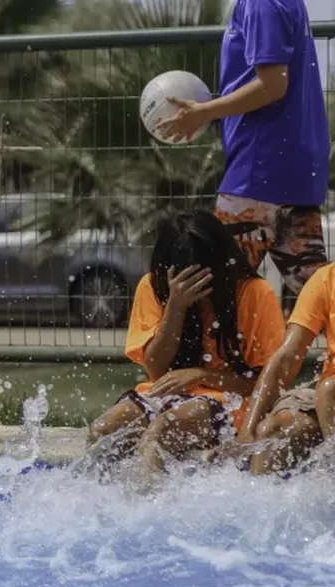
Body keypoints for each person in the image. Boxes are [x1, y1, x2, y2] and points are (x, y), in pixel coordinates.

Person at [87, 211, 284, 477]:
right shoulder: (154, 287)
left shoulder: (255, 293)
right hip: (168, 396)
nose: (200, 289)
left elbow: (269, 385)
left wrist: (202, 375)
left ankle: (148, 514)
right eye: (187, 277)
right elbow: (156, 369)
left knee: (158, 434)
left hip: (234, 402)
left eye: (206, 277)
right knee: (102, 431)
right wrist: (176, 306)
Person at [158, 0, 329, 304]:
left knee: (208, 298)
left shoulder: (260, 2)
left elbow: (272, 85)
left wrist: (203, 112)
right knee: (320, 303)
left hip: (258, 172)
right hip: (295, 171)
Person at [236, 263, 335, 474]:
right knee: (273, 431)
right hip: (327, 404)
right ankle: (255, 503)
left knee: (329, 390)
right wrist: (247, 429)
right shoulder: (326, 279)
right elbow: (286, 358)